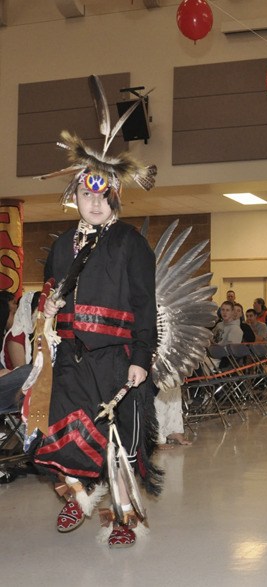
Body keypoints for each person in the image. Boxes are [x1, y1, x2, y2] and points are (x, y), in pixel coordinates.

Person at [37, 157, 159, 547]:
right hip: (72, 357)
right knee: (64, 431)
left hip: (116, 359)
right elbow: (51, 286)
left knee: (117, 445)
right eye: (86, 194)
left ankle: (125, 518)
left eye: (102, 196)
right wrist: (49, 304)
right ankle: (78, 494)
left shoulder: (129, 242)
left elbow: (144, 303)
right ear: (75, 196)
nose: (94, 203)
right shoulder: (61, 244)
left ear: (116, 199)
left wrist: (141, 357)